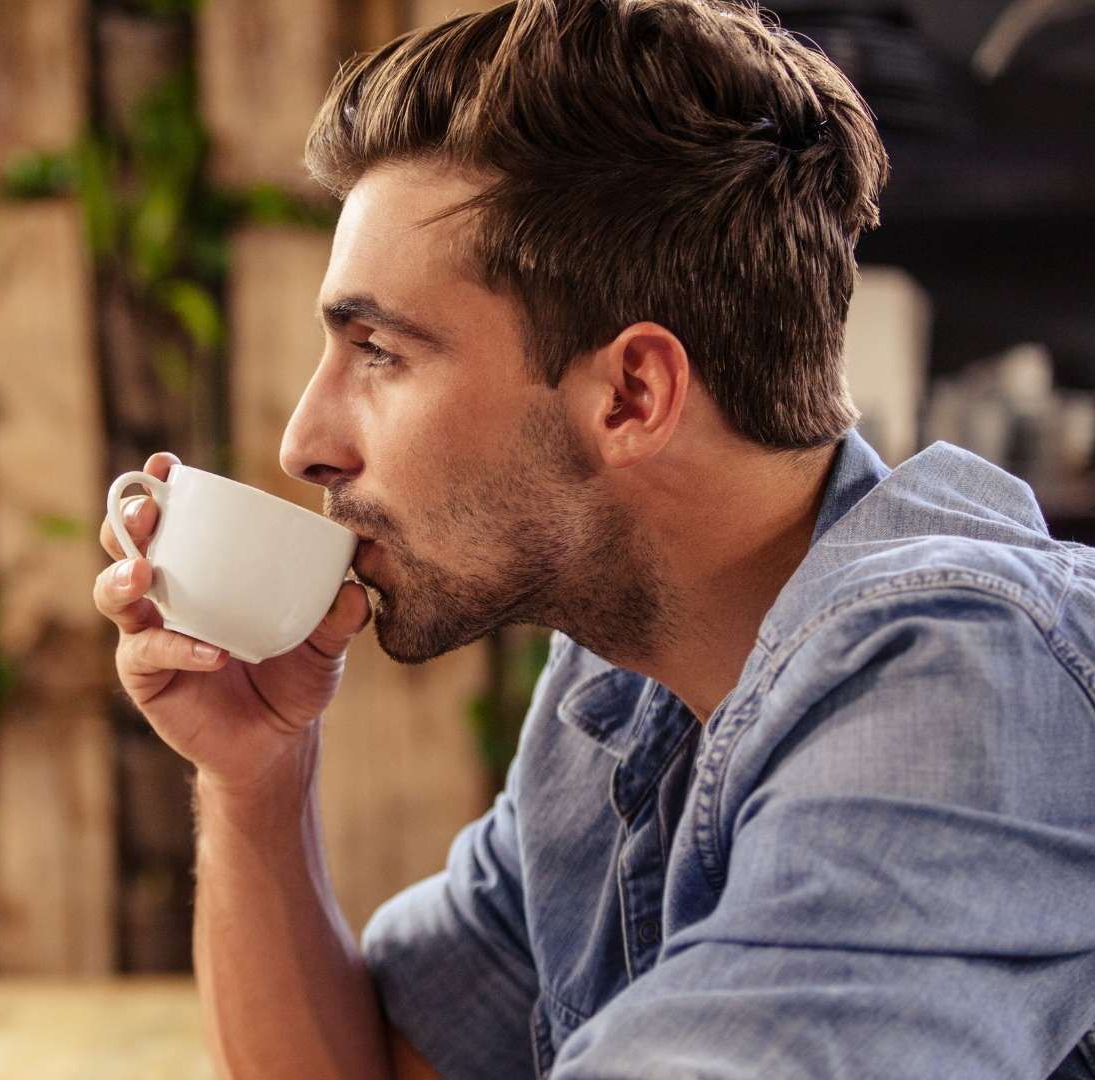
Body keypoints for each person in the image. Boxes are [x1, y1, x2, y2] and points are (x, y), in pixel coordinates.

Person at [92, 1, 1095, 1076]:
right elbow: (382, 1067)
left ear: (630, 393)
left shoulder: (962, 677)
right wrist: (258, 779)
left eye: (379, 351)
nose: (304, 442)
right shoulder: (617, 687)